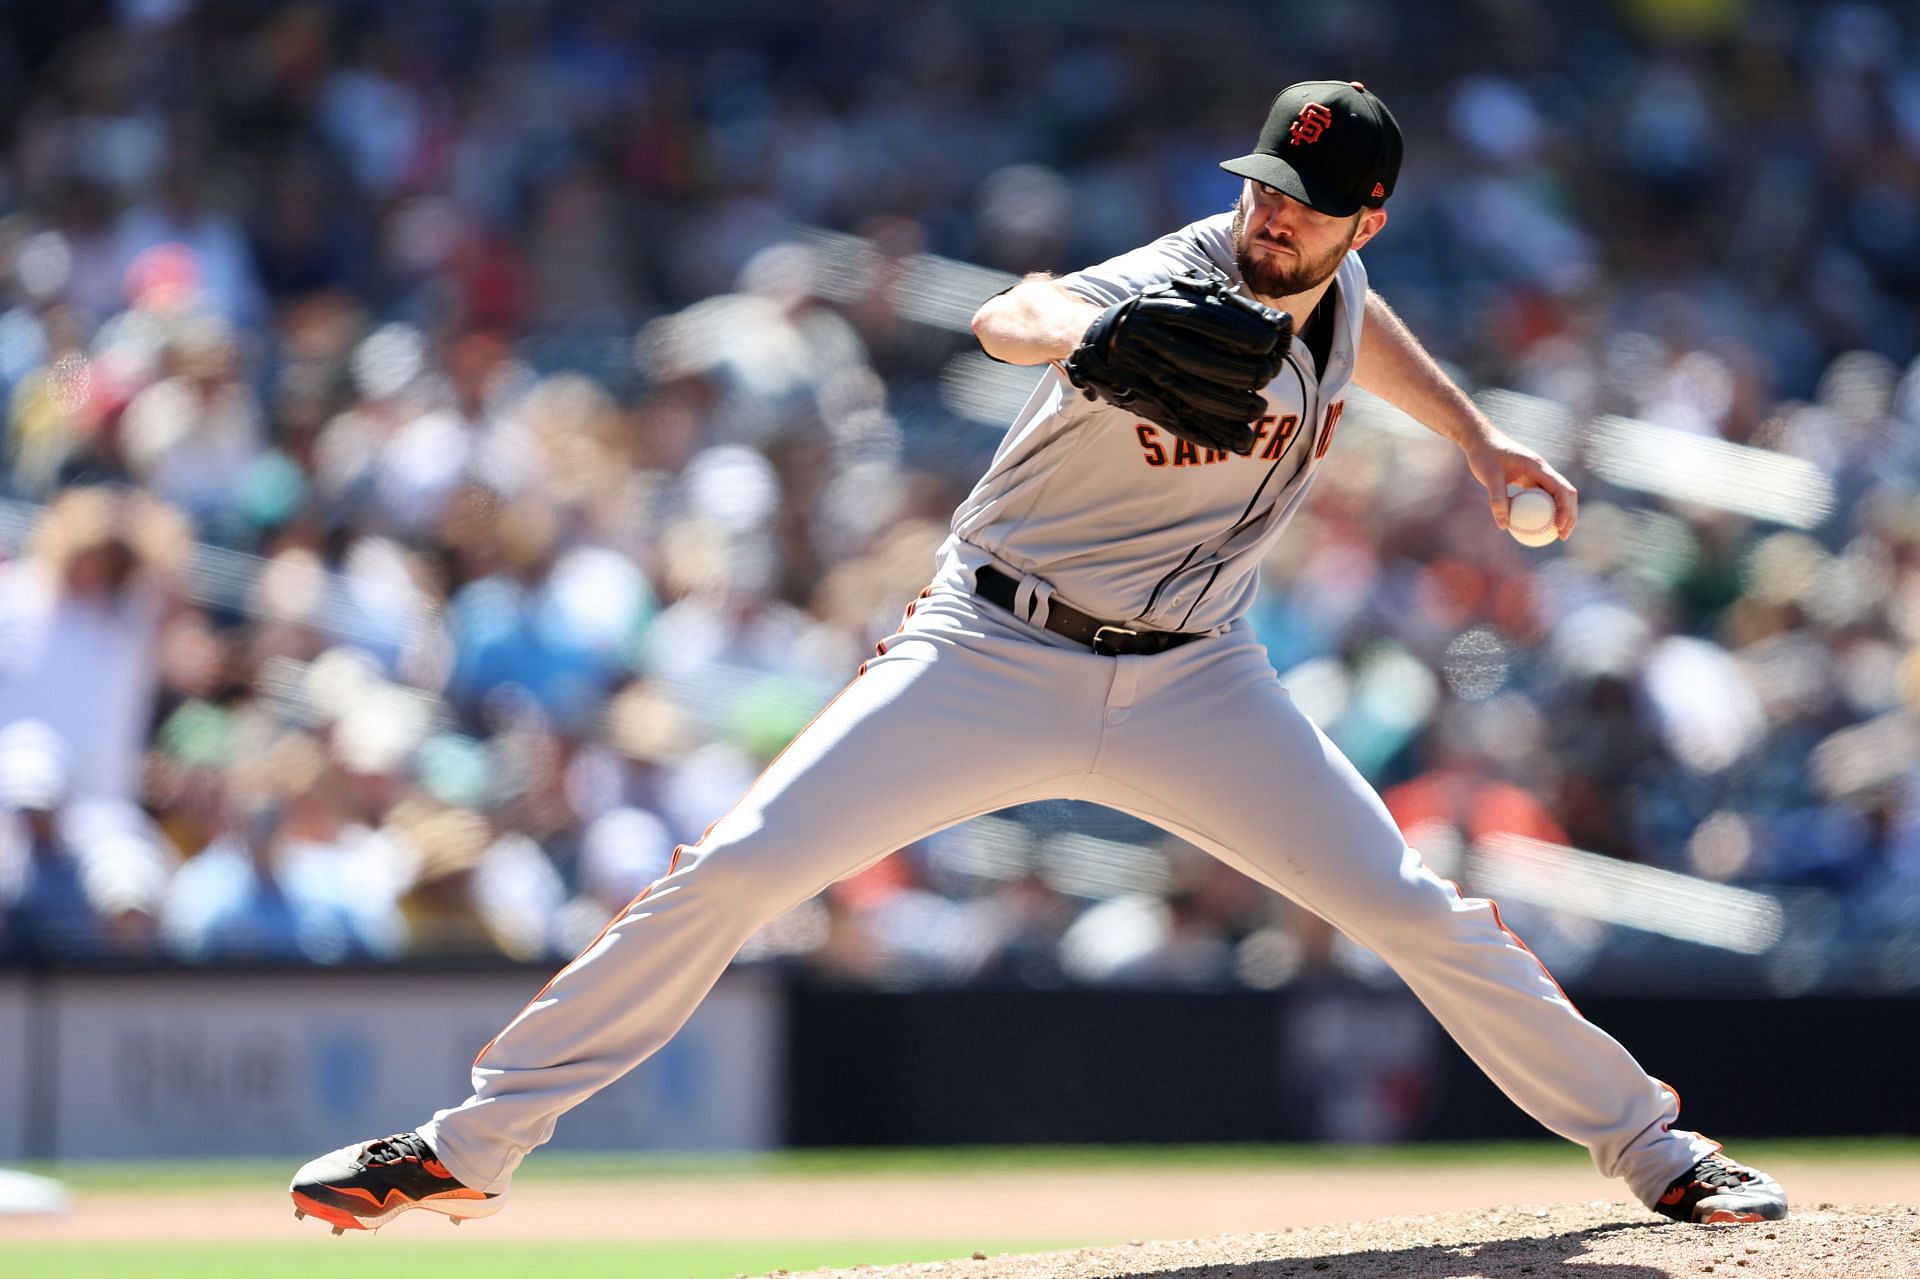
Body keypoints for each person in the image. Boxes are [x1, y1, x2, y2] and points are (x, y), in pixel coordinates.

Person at [291, 80, 1787, 1234]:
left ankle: (1659, 1152)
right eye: (1269, 188)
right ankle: (469, 1149)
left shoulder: (1338, 295)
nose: (1276, 219)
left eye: (1309, 204)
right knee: (736, 869)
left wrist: (1477, 437)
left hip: (1201, 677)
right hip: (993, 645)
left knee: (1414, 906)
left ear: (1364, 220)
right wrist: (1066, 313)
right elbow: (1019, 315)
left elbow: (1364, 333)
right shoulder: (1184, 276)